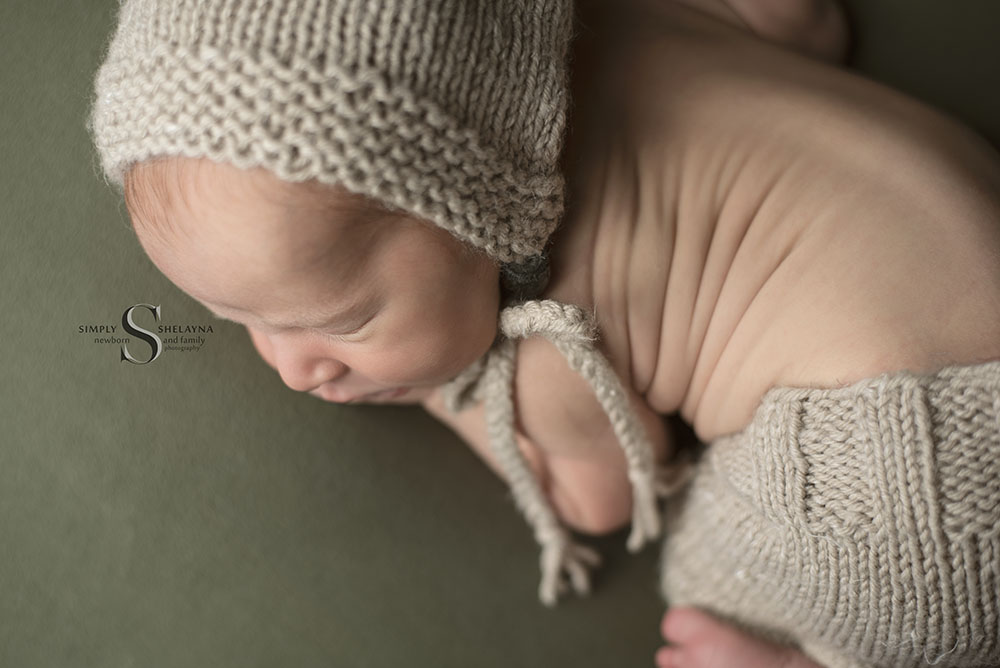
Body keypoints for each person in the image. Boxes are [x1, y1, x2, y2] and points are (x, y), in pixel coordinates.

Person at [88, 0, 1000, 666]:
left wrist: (449, 392)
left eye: (345, 323)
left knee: (733, 586)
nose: (289, 367)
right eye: (234, 319)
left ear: (479, 220)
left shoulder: (548, 317)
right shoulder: (620, 19)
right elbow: (809, 25)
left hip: (921, 479)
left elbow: (598, 492)